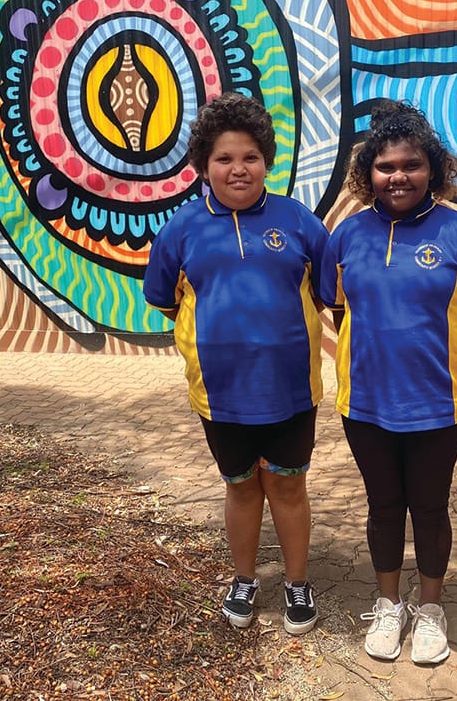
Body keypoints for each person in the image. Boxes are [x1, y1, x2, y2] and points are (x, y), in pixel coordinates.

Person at [320, 101, 457, 664]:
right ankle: (387, 604)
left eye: (411, 164)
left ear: (434, 170)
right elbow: (335, 307)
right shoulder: (347, 235)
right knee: (382, 505)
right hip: (366, 402)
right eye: (385, 166)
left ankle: (429, 610)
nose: (398, 176)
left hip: (440, 404)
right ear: (367, 174)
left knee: (428, 506)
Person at [143, 92, 328, 635]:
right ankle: (244, 578)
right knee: (241, 487)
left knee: (289, 488)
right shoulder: (182, 229)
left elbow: (326, 292)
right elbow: (166, 299)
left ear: (266, 160)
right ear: (204, 166)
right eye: (224, 158)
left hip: (291, 389)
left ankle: (297, 582)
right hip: (219, 393)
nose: (238, 168)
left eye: (250, 156)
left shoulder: (299, 222)